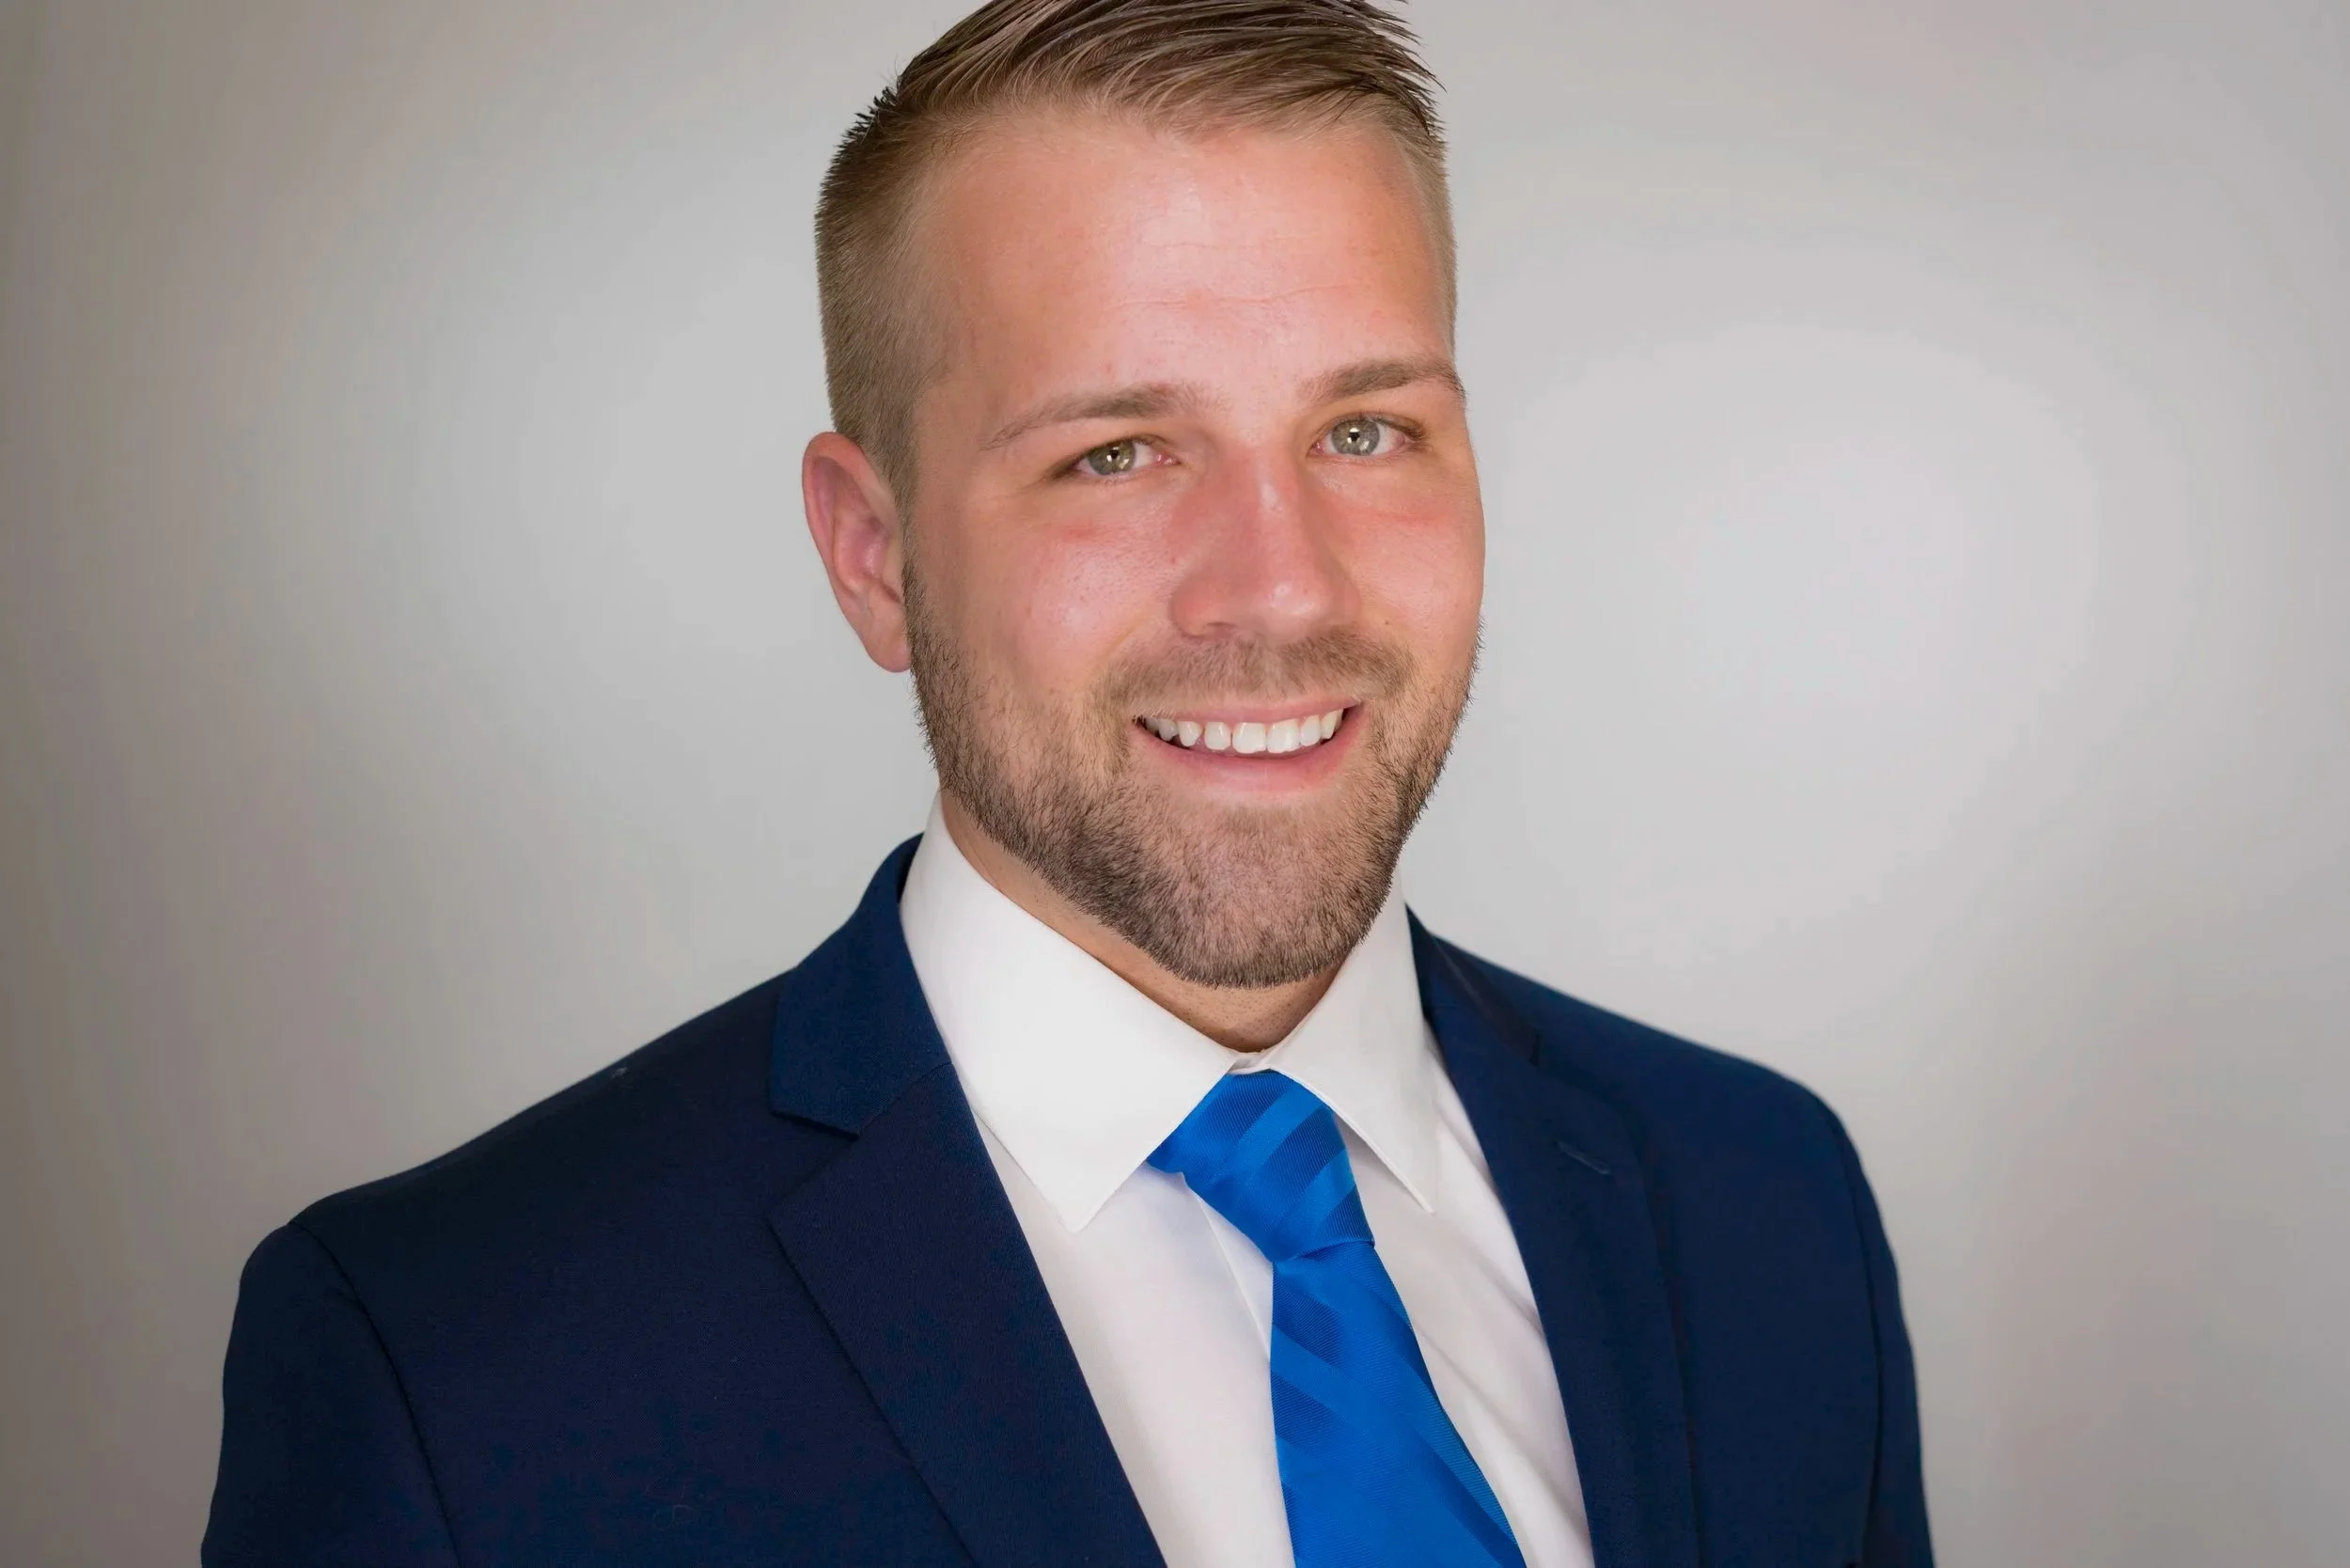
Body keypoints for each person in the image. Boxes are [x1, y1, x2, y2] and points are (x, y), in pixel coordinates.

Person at [202, 2, 1933, 1564]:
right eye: (1117, 453)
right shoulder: (450, 1363)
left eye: (1365, 432)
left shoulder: (1765, 1202)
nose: (1283, 588)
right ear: (874, 555)